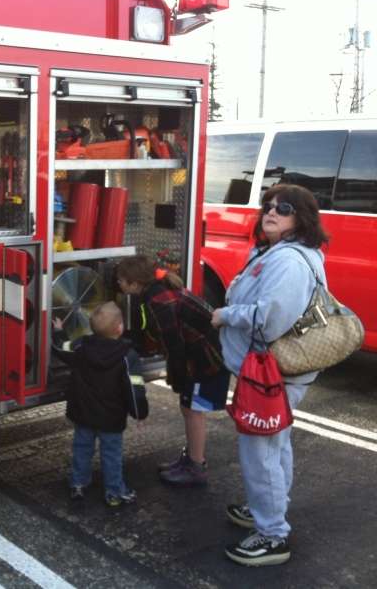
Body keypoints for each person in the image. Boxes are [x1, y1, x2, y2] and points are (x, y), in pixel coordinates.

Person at [211, 183, 328, 567]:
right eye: (268, 205)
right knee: (275, 445)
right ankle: (268, 508)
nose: (272, 212)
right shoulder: (275, 251)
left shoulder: (290, 261)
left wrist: (226, 315)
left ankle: (272, 534)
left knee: (260, 452)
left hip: (272, 374)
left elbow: (269, 318)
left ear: (302, 217)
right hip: (268, 372)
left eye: (285, 207)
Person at [115, 255, 228, 487]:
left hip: (206, 361)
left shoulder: (159, 300)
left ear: (135, 284)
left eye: (121, 281)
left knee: (194, 410)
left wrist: (177, 377)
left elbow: (174, 345)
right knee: (188, 408)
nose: (118, 284)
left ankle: (196, 466)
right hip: (199, 358)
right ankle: (190, 459)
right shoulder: (158, 291)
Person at [52, 302, 140, 507]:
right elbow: (134, 388)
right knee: (111, 454)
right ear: (120, 328)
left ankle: (78, 483)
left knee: (82, 449)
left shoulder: (82, 346)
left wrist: (58, 331)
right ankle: (115, 492)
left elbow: (62, 350)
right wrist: (139, 412)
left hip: (83, 414)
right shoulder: (127, 356)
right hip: (111, 418)